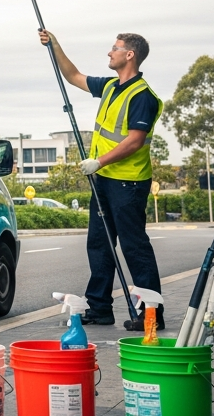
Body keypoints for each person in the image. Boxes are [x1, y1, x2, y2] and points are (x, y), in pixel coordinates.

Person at [39, 30, 164, 328]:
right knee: (99, 244)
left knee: (134, 247)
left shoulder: (143, 96)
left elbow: (134, 141)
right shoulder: (110, 86)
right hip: (104, 180)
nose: (110, 53)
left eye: (115, 48)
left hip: (129, 183)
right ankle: (100, 308)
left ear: (129, 55)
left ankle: (151, 315)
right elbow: (73, 76)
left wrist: (98, 161)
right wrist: (55, 44)